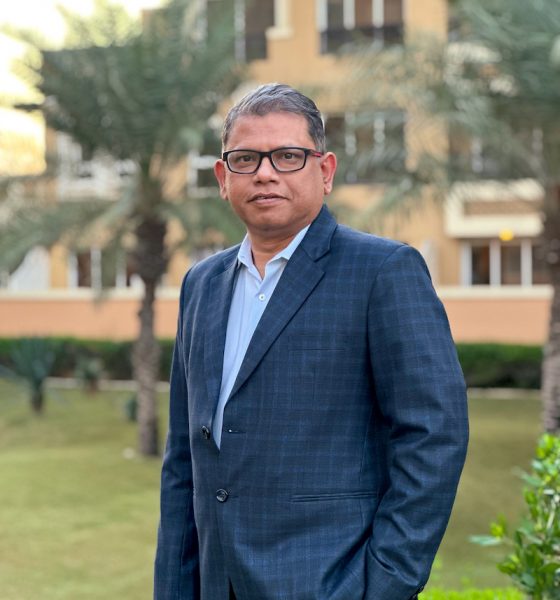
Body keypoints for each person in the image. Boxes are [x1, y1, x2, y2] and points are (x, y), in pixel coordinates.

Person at [154, 83, 469, 600]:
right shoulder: (201, 285)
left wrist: (384, 585)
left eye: (287, 156)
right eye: (245, 159)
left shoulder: (382, 272)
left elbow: (435, 436)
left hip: (330, 583)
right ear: (222, 178)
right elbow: (184, 459)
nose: (265, 173)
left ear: (325, 171)